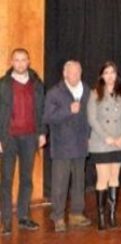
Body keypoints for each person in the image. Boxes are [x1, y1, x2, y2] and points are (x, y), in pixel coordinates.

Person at [0, 48, 46, 234]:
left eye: (23, 59)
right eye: (17, 60)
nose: (20, 63)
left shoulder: (37, 83)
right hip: (8, 138)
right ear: (11, 62)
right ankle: (6, 221)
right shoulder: (3, 84)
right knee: (6, 180)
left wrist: (42, 133)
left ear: (29, 62)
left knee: (26, 179)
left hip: (30, 137)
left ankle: (23, 217)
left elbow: (42, 110)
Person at [43, 60, 91, 232]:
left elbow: (90, 116)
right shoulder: (54, 93)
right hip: (62, 145)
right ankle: (58, 216)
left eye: (78, 72)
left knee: (79, 181)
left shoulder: (86, 90)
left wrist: (89, 136)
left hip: (81, 143)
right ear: (65, 73)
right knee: (60, 183)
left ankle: (76, 214)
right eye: (72, 72)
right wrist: (68, 110)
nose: (76, 75)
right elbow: (48, 117)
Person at [87, 61, 121, 230]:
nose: (110, 76)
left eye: (112, 72)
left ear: (116, 75)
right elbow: (92, 120)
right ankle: (101, 217)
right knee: (102, 179)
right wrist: (108, 138)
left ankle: (112, 215)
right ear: (101, 76)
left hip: (119, 143)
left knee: (114, 178)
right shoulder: (94, 94)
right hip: (101, 143)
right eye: (106, 72)